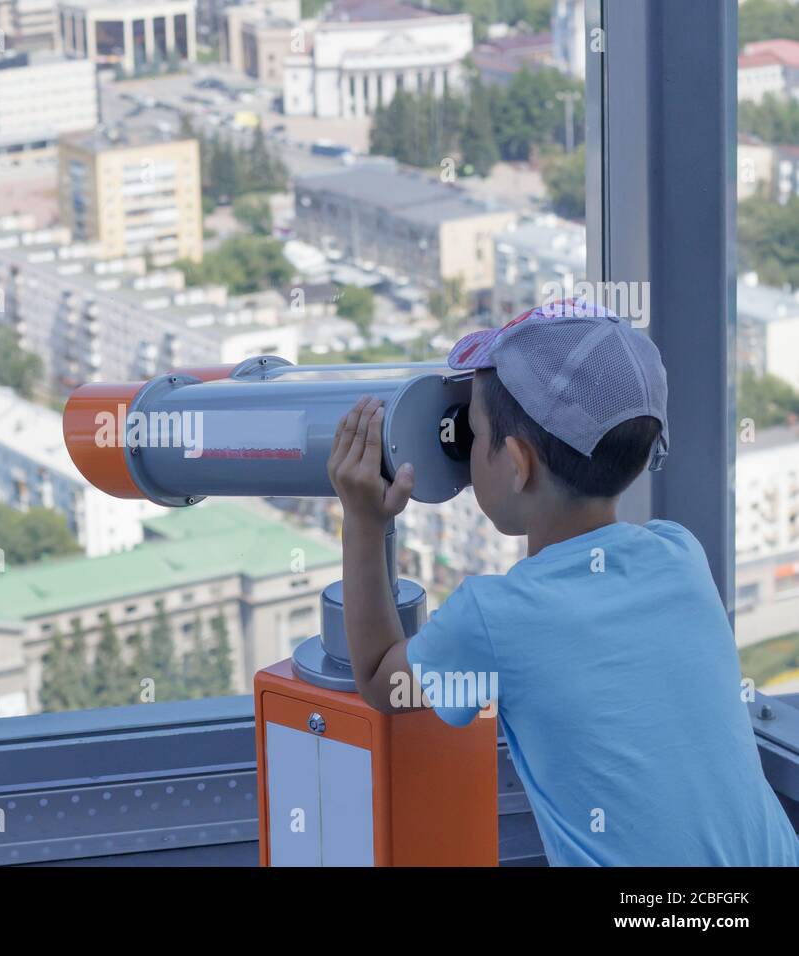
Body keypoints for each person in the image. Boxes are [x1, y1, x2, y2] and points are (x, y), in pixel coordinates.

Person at [327, 299, 799, 866]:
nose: (465, 449)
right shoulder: (681, 555)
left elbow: (381, 679)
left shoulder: (494, 617)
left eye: (473, 435)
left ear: (519, 463)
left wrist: (363, 520)